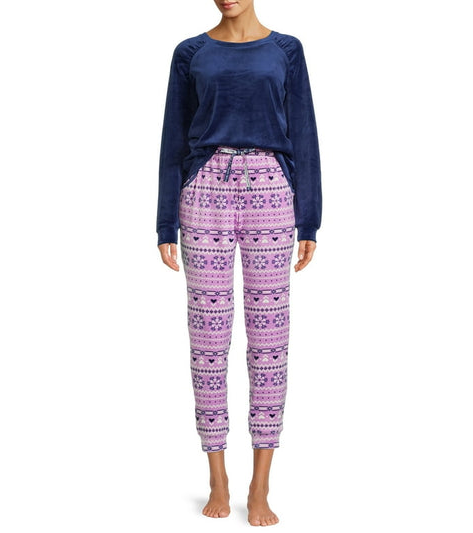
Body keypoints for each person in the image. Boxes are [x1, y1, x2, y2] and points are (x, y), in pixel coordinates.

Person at [156, 0, 322, 526]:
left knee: (269, 340)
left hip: (272, 190)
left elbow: (304, 133)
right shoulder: (190, 53)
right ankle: (218, 475)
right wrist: (165, 222)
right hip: (204, 190)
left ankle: (260, 483)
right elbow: (173, 138)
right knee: (207, 339)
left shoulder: (286, 50)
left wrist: (309, 219)